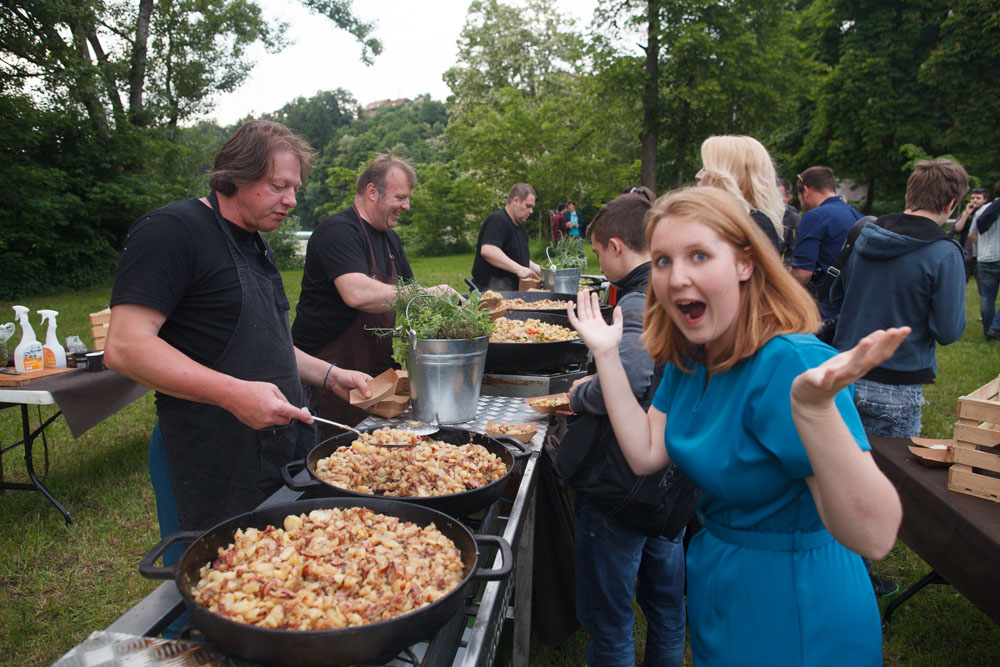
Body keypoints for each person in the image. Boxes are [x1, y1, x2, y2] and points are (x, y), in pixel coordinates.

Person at [567, 186, 904, 665]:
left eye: (699, 255)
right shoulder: (693, 357)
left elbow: (874, 536)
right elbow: (644, 451)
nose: (676, 276)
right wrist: (605, 354)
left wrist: (815, 412)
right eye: (662, 260)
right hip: (719, 589)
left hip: (796, 606)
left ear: (746, 263)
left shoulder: (790, 363)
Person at [105, 120, 373, 539]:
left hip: (275, 449)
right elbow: (124, 347)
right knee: (212, 582)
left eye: (295, 188)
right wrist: (233, 393)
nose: (292, 200)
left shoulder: (253, 239)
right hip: (210, 454)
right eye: (279, 186)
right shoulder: (172, 231)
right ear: (235, 176)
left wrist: (330, 374)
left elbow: (265, 339)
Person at [558, 193, 698, 667]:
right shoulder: (683, 296)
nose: (599, 259)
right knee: (665, 602)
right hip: (675, 478)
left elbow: (635, 377)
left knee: (609, 619)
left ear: (617, 246)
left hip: (626, 487)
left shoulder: (639, 302)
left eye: (598, 251)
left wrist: (578, 394)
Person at [291, 154, 455, 431]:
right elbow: (356, 293)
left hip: (375, 375)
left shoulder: (391, 239)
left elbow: (410, 301)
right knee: (335, 459)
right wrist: (429, 293)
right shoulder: (338, 231)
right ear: (371, 192)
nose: (407, 206)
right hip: (327, 374)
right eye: (401, 197)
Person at [831, 158, 967, 437]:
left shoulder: (863, 235)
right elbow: (948, 330)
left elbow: (837, 296)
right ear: (950, 204)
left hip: (844, 375)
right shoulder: (944, 253)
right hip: (897, 384)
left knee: (836, 473)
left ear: (909, 194)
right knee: (890, 477)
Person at [791, 166, 864, 319]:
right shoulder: (860, 218)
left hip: (823, 311)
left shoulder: (814, 217)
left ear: (806, 190)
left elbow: (802, 274)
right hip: (852, 311)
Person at [695, 135, 785, 254]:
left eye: (706, 168)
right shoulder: (722, 220)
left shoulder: (754, 225)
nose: (698, 175)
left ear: (729, 175)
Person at [472, 183, 542, 290]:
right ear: (515, 201)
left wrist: (539, 269)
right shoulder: (497, 220)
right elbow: (488, 250)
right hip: (489, 294)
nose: (531, 211)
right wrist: (519, 269)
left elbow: (517, 258)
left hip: (511, 294)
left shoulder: (520, 228)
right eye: (528, 206)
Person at [970, 179, 1000, 341]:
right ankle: (996, 328)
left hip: (985, 258)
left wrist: (982, 247)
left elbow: (972, 233)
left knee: (987, 296)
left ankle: (989, 331)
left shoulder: (982, 210)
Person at [952, 186, 987, 283]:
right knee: (961, 281)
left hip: (980, 254)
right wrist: (967, 214)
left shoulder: (986, 213)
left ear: (985, 200)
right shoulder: (966, 212)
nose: (974, 200)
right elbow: (956, 229)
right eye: (972, 198)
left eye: (978, 198)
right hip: (966, 253)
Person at [777, 177, 802, 263]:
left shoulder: (793, 219)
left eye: (778, 195)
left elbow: (794, 251)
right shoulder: (762, 215)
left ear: (788, 197)